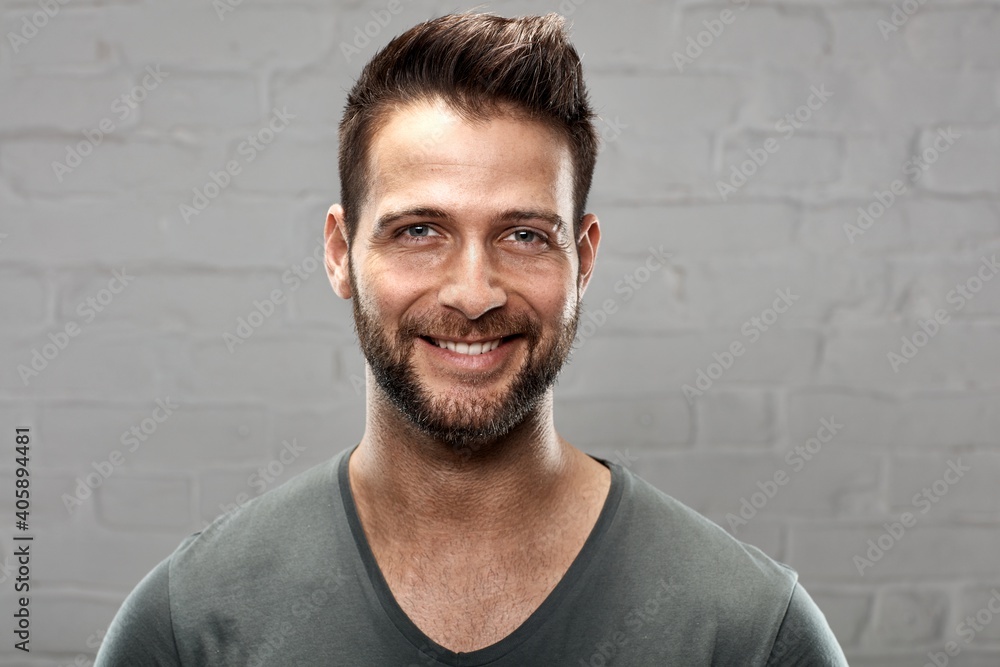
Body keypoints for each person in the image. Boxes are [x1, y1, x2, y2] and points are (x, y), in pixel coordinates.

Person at [96, 12, 848, 666]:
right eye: (419, 230)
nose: (475, 293)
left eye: (524, 234)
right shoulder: (187, 627)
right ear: (339, 252)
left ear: (582, 260)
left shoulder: (752, 632)